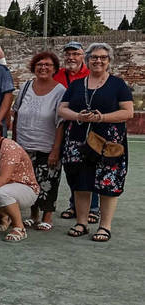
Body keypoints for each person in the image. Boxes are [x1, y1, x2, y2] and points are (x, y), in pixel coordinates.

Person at [58, 43, 133, 242]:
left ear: (109, 61)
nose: (98, 61)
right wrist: (78, 116)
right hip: (78, 141)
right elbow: (62, 109)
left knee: (107, 183)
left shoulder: (118, 85)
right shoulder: (76, 85)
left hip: (108, 143)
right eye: (94, 57)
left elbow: (127, 112)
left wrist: (102, 118)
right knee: (81, 182)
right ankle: (81, 222)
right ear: (88, 59)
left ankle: (104, 226)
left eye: (103, 57)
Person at [12, 51, 65, 231]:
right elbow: (17, 114)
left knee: (49, 181)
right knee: (29, 181)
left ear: (55, 69)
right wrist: (15, 143)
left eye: (48, 65)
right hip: (24, 145)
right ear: (34, 67)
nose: (43, 68)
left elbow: (60, 123)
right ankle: (33, 215)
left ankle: (47, 216)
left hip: (47, 145)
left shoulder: (60, 91)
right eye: (40, 64)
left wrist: (56, 149)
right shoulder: (26, 87)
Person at [54, 41, 98, 223]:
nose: (71, 57)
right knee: (71, 169)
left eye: (76, 54)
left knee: (91, 169)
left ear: (83, 57)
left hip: (88, 130)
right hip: (65, 128)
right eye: (68, 54)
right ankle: (74, 205)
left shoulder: (91, 75)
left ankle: (93, 209)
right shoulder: (57, 75)